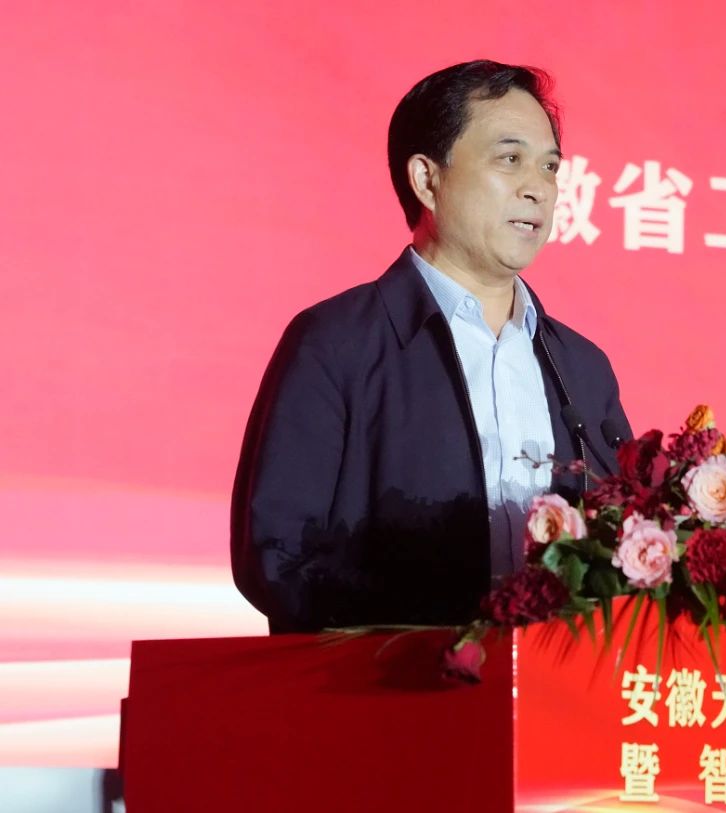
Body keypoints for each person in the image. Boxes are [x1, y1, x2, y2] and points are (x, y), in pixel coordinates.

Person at [230, 60, 632, 633]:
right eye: (510, 159)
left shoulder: (582, 368)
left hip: (551, 684)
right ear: (426, 179)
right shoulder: (336, 343)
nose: (537, 188)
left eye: (549, 167)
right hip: (391, 681)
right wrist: (435, 637)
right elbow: (278, 556)